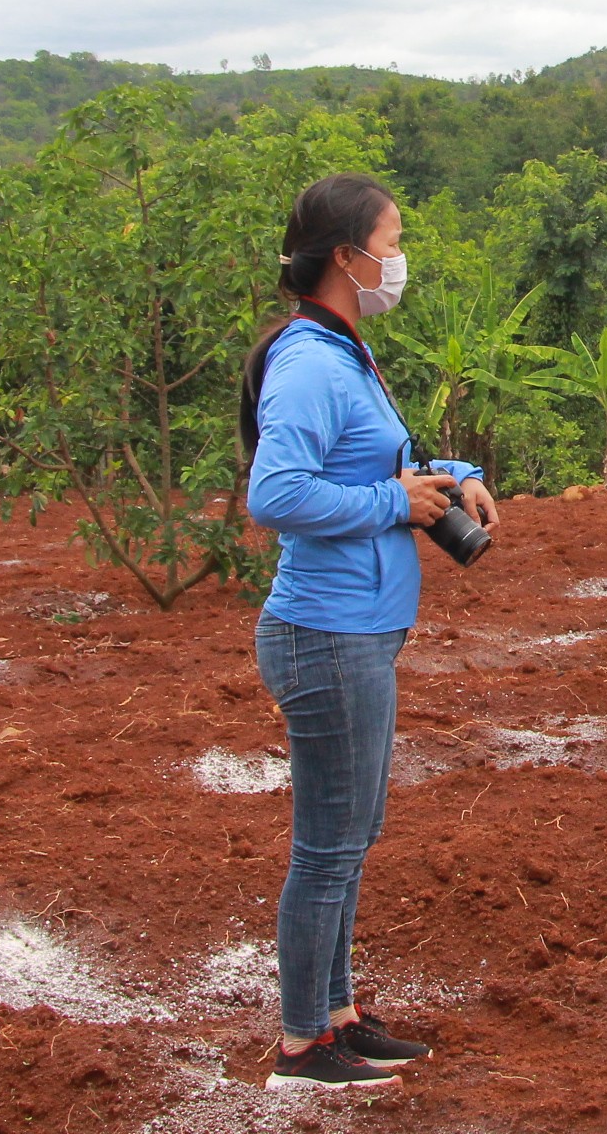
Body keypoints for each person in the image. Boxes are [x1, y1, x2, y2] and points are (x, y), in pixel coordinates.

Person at [241, 172, 499, 1090]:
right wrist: (391, 502)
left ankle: (337, 1015)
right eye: (390, 242)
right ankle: (303, 1044)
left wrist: (449, 474)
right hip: (327, 632)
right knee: (327, 844)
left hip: (358, 630)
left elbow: (370, 460)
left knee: (352, 831)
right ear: (347, 257)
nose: (398, 259)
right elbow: (274, 495)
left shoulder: (342, 351)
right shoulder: (312, 361)